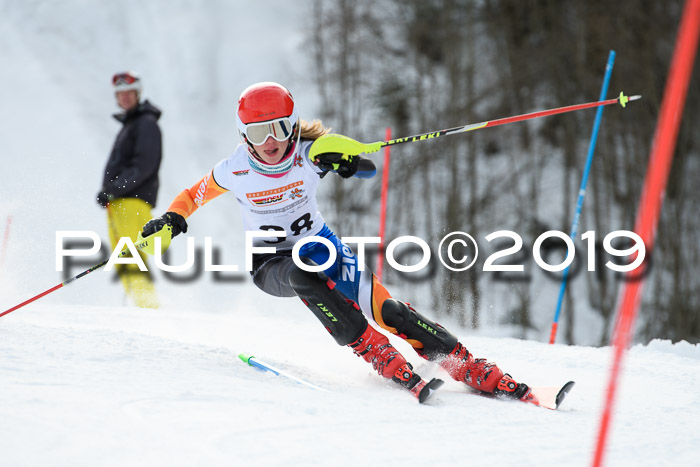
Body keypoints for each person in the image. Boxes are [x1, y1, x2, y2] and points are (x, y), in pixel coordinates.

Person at [141, 82, 535, 402]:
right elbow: (193, 195)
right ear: (244, 137)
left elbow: (362, 165)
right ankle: (374, 351)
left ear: (293, 126)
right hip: (271, 263)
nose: (270, 141)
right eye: (258, 133)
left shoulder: (310, 153)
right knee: (303, 274)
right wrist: (172, 219)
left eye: (279, 128)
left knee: (389, 311)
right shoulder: (236, 169)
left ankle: (463, 363)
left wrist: (346, 163)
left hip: (322, 246)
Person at [97, 71, 162, 308]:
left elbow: (143, 165)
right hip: (120, 202)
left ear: (138, 93)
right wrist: (111, 193)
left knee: (131, 256)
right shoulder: (131, 124)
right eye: (120, 94)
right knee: (123, 257)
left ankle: (148, 308)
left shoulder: (145, 124)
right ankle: (140, 306)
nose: (124, 98)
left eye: (128, 93)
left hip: (132, 201)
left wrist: (114, 188)